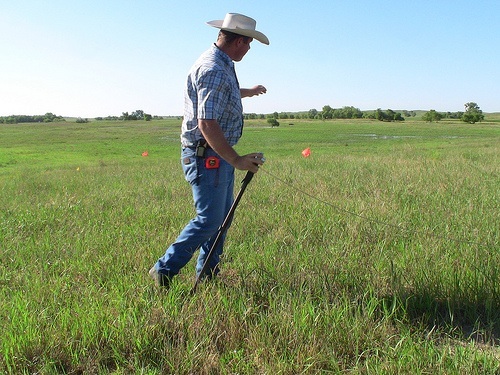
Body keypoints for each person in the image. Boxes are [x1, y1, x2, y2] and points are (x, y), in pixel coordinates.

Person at [149, 13, 269, 287]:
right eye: (249, 44)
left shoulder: (221, 64)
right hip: (208, 155)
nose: (249, 49)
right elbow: (206, 122)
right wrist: (236, 159)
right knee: (210, 220)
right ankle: (163, 270)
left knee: (222, 219)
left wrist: (246, 92)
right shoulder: (213, 68)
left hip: (218, 154)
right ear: (239, 41)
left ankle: (208, 274)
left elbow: (222, 94)